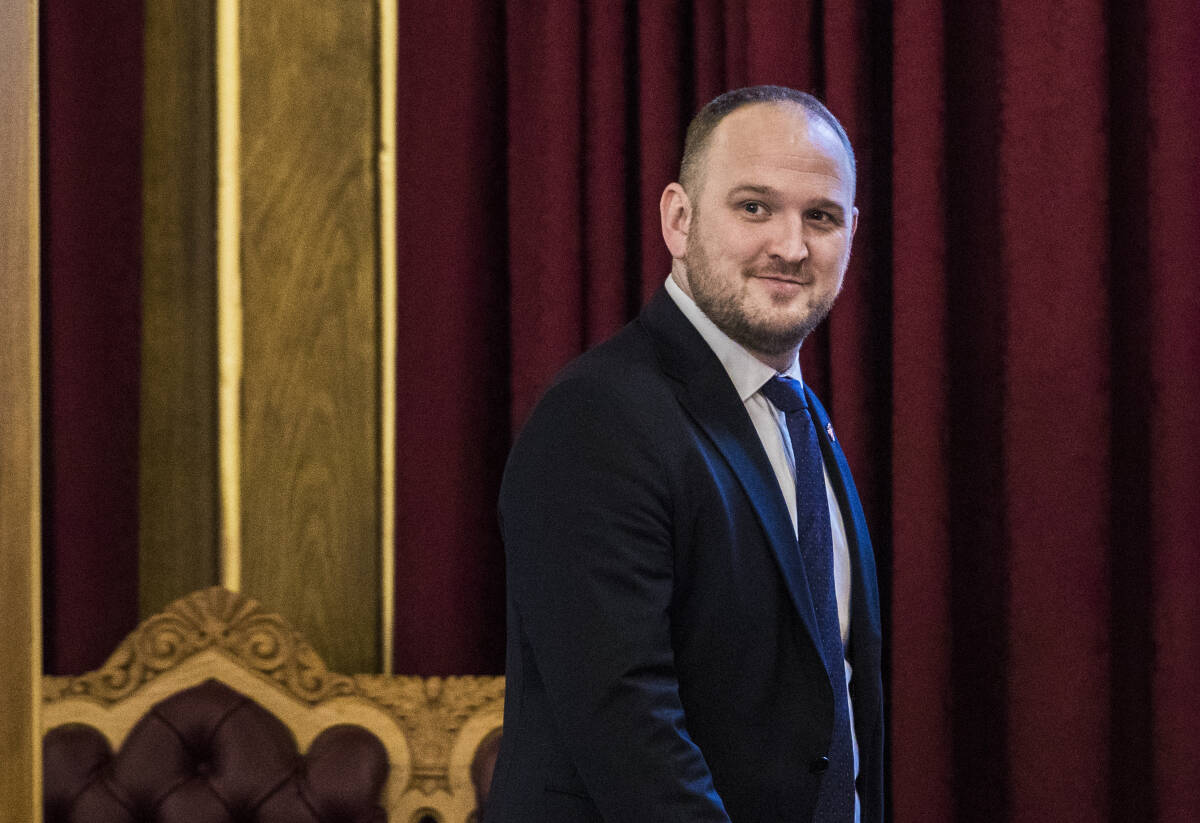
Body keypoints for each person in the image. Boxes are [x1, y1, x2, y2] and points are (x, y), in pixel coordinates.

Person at [485, 85, 883, 823]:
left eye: (820, 216)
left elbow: (830, 714)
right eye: (755, 207)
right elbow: (633, 736)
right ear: (679, 217)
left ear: (851, 233)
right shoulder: (597, 416)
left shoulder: (802, 422)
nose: (791, 246)